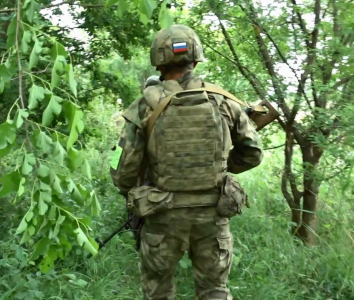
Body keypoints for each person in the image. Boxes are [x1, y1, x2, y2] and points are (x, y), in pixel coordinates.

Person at [110, 24, 263, 300]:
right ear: (196, 57)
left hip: (162, 216)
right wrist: (218, 166)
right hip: (213, 215)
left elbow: (123, 173)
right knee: (215, 292)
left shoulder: (144, 107)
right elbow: (253, 153)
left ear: (158, 60)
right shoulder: (224, 102)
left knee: (158, 293)